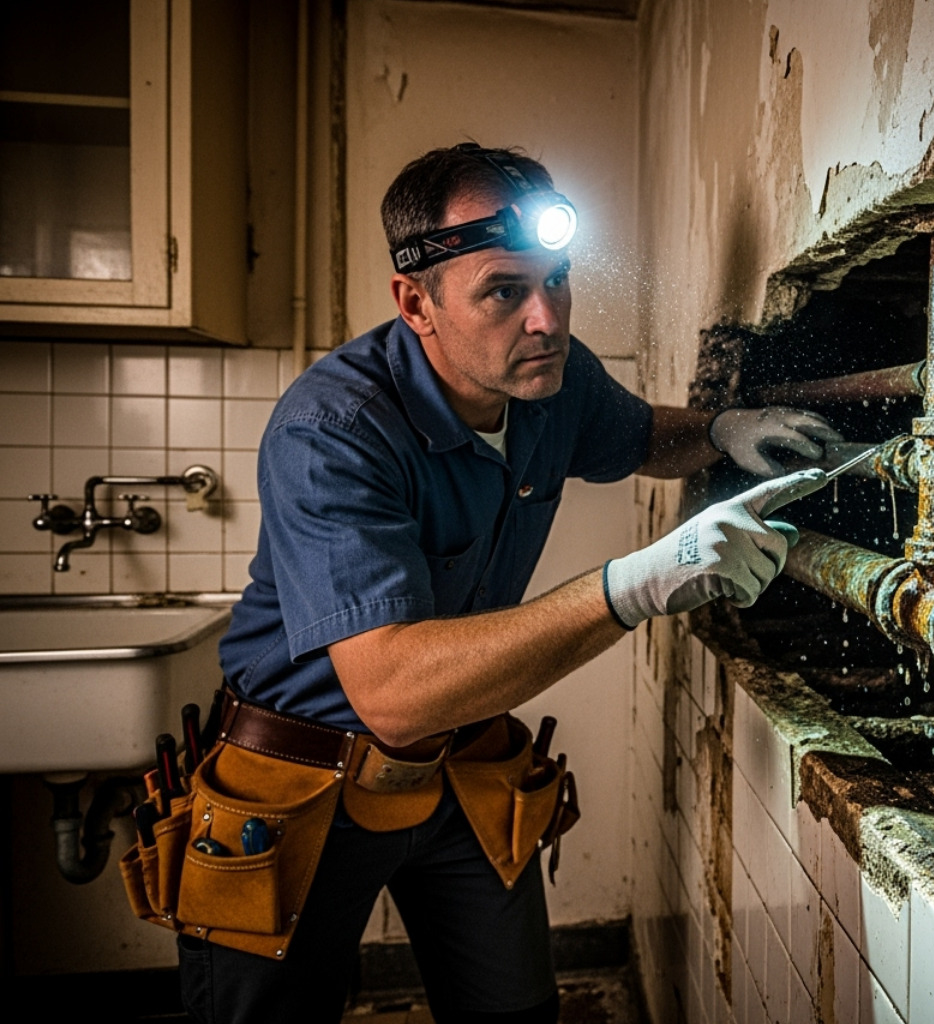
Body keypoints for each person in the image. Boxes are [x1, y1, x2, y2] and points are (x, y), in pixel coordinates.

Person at [184, 144, 841, 1023]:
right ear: (416, 303)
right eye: (504, 291)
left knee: (516, 1012)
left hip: (460, 761)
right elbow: (393, 695)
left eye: (557, 280)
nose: (547, 318)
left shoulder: (550, 382)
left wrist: (725, 429)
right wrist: (636, 585)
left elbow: (640, 435)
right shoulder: (332, 430)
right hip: (299, 779)